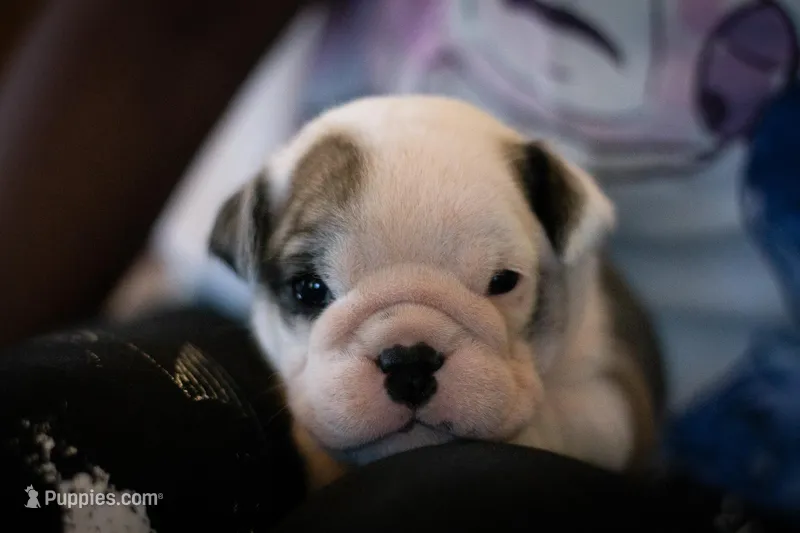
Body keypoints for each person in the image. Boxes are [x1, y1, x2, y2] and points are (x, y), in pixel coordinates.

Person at [0, 0, 798, 523]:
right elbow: (169, 26)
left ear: (566, 239)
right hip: (238, 336)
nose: (408, 354)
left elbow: (620, 418)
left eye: (498, 283)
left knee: (442, 509)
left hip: (748, 449)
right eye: (313, 289)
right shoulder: (259, 230)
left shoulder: (588, 294)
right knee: (64, 428)